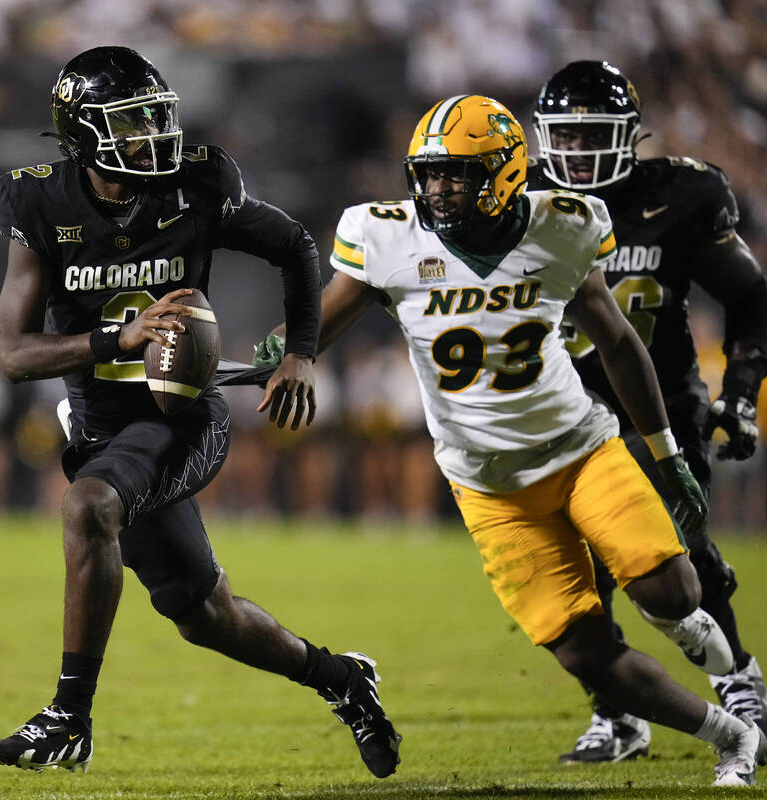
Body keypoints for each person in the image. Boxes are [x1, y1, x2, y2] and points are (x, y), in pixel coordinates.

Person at [257, 94, 764, 787]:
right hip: (489, 486)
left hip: (581, 449)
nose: (439, 189)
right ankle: (731, 734)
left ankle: (708, 648)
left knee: (671, 587)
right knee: (585, 653)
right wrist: (281, 352)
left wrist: (668, 453)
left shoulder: (563, 227)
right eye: (430, 173)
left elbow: (617, 341)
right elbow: (314, 327)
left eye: (458, 175)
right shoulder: (390, 237)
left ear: (504, 172)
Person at [0, 45, 401, 777]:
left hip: (183, 417)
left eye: (154, 117)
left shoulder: (198, 184)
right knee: (205, 618)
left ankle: (68, 719)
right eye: (130, 123)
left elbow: (295, 246)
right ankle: (345, 681)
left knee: (87, 507)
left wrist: (303, 350)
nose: (152, 136)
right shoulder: (38, 201)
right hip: (102, 430)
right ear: (82, 135)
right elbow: (15, 355)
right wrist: (120, 336)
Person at [527, 60, 767, 764]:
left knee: (673, 556)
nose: (574, 152)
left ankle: (739, 683)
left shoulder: (683, 194)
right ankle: (618, 715)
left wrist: (741, 391)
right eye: (563, 137)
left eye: (591, 135)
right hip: (560, 415)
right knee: (580, 573)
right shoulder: (520, 201)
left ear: (630, 136)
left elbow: (750, 296)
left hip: (656, 408)